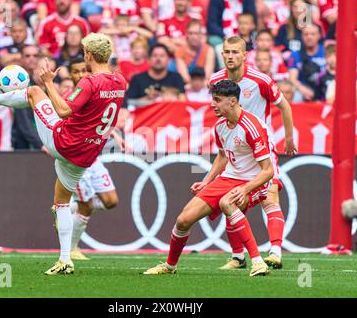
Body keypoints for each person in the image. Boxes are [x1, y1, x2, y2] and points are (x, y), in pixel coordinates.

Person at [0, 33, 127, 275]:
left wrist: (48, 83)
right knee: (62, 203)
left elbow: (64, 110)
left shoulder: (89, 82)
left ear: (88, 55)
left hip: (63, 142)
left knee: (34, 92)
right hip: (87, 153)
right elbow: (88, 111)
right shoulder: (120, 81)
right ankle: (65, 260)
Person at [144, 80, 273, 277]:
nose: (213, 104)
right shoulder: (220, 125)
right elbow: (222, 157)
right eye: (213, 99)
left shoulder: (252, 126)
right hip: (229, 177)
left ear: (232, 101)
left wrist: (245, 189)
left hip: (254, 181)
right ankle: (170, 267)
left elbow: (268, 171)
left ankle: (258, 262)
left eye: (217, 100)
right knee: (183, 220)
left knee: (227, 202)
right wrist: (206, 181)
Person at [209, 36, 297, 270]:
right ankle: (238, 257)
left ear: (245, 55)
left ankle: (275, 252)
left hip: (260, 148)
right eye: (226, 52)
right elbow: (218, 110)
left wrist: (288, 137)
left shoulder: (261, 80)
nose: (230, 56)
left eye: (235, 52)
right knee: (230, 200)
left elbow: (284, 105)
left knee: (271, 195)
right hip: (235, 151)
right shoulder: (215, 79)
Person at [59, 57, 120, 261]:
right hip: (77, 159)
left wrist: (114, 134)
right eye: (76, 72)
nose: (81, 75)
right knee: (86, 206)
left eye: (85, 70)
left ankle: (66, 207)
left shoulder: (95, 92)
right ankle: (72, 249)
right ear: (70, 75)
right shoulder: (68, 98)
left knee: (111, 201)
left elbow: (98, 120)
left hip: (93, 156)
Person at [126, 43, 186, 108]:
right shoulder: (137, 79)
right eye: (155, 55)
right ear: (148, 60)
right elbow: (129, 103)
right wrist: (147, 98)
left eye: (162, 56)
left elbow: (183, 100)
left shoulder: (176, 78)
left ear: (169, 60)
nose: (158, 59)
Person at [288, 24, 326, 101]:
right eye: (306, 34)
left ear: (319, 36)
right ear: (302, 36)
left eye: (313, 34)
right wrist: (303, 90)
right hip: (304, 89)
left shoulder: (326, 51)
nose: (309, 37)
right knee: (296, 96)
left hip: (324, 87)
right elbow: (292, 78)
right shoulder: (295, 54)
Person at [174, 19, 215, 84]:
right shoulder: (179, 50)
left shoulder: (209, 50)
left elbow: (207, 75)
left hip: (203, 84)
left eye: (196, 33)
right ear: (186, 34)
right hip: (188, 85)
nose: (193, 36)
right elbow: (185, 77)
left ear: (201, 35)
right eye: (190, 33)